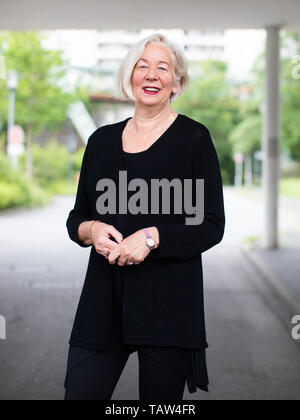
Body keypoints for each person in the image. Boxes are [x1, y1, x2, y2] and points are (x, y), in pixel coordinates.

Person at [64, 33, 225, 400]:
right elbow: (77, 218)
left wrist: (153, 237)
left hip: (168, 308)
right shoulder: (101, 142)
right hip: (102, 303)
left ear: (177, 83)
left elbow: (211, 225)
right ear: (130, 76)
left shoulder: (194, 140)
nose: (151, 74)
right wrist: (92, 229)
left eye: (162, 67)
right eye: (142, 65)